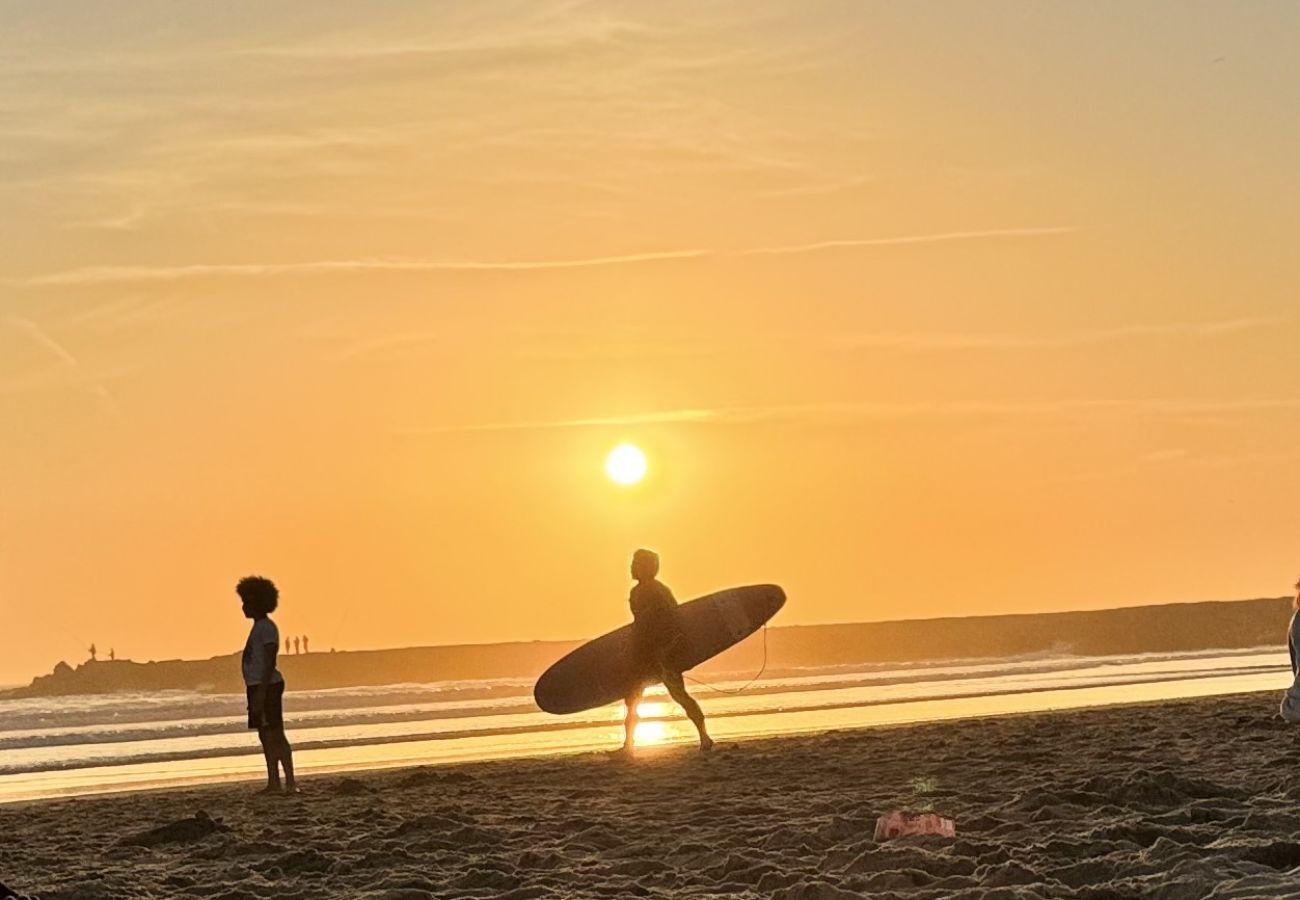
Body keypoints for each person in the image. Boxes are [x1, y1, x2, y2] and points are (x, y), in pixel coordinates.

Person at [621, 548, 713, 755]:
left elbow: (674, 620)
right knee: (632, 700)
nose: (631, 568)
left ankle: (704, 737)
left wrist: (669, 649)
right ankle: (628, 745)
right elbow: (640, 624)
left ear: (646, 567)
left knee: (679, 695)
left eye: (635, 564)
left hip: (662, 652)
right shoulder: (637, 591)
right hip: (644, 653)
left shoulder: (657, 591)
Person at [237, 575, 296, 793]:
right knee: (264, 734)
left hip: (267, 686)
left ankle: (289, 781)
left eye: (247, 602)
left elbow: (270, 660)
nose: (243, 607)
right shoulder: (257, 628)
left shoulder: (267, 628)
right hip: (257, 686)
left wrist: (262, 690)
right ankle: (274, 781)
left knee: (275, 733)